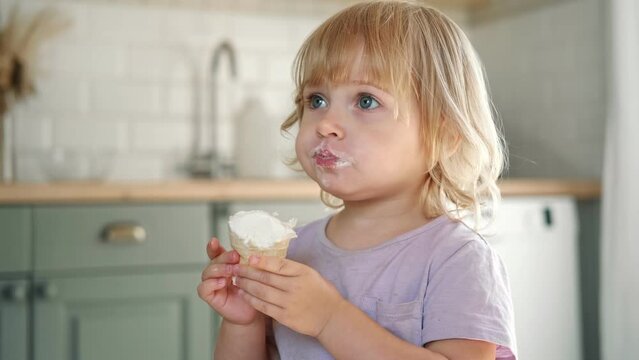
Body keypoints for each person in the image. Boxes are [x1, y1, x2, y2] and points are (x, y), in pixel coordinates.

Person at [198, 1, 517, 359]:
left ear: (443, 135)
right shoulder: (297, 250)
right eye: (316, 100)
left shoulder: (457, 259)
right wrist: (245, 323)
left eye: (366, 101)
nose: (325, 123)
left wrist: (329, 318)